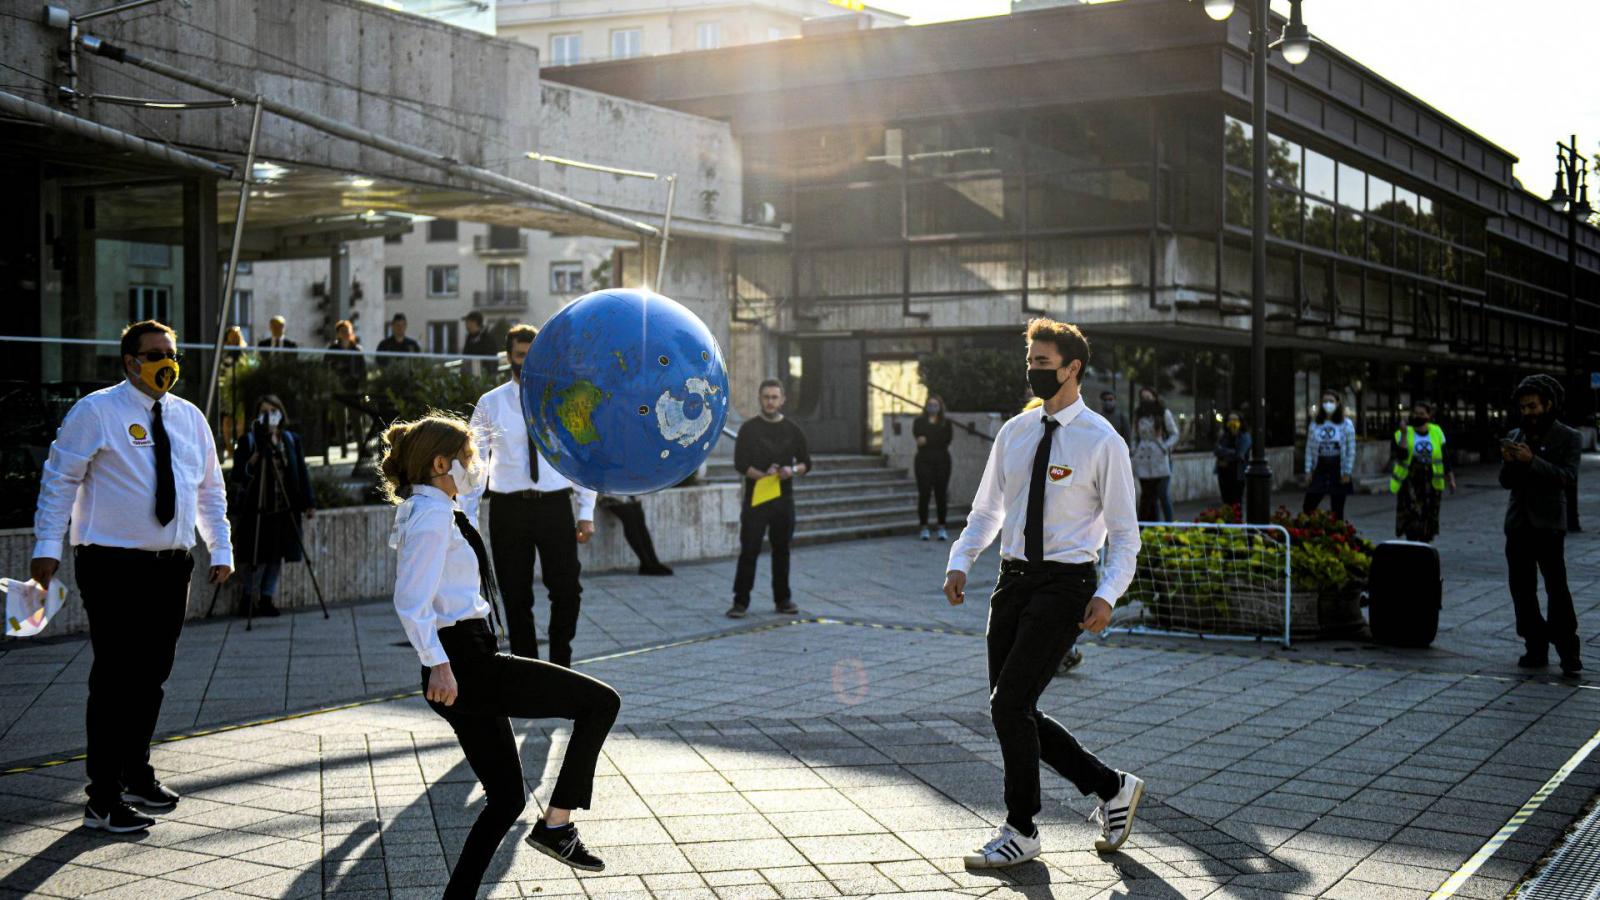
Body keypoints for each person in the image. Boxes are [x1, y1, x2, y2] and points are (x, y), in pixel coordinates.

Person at [381, 413, 620, 897]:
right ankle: (557, 826)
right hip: (467, 665)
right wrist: (439, 664)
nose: (476, 464)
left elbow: (475, 488)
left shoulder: (438, 505)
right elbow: (411, 600)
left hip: (467, 661)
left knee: (506, 798)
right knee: (601, 703)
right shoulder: (429, 516)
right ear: (440, 463)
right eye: (468, 457)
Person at [943, 317, 1143, 868]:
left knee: (1010, 705)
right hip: (1013, 582)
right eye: (1030, 362)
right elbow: (988, 509)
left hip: (1065, 584)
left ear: (1072, 368)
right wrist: (962, 559)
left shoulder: (1103, 441)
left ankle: (1022, 828)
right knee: (1013, 708)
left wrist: (1107, 594)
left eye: (1044, 363)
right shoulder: (1015, 432)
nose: (1034, 371)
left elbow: (1125, 535)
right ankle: (1112, 788)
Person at [31, 320, 233, 833]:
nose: (166, 362)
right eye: (154, 353)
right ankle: (102, 798)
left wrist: (220, 547)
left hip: (171, 566)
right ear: (129, 362)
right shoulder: (96, 412)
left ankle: (135, 772)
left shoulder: (189, 417)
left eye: (172, 353)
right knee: (116, 679)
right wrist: (45, 546)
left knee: (151, 677)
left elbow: (210, 489)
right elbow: (59, 480)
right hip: (112, 564)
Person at [460, 325, 597, 668]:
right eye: (521, 355)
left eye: (533, 355)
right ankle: (529, 670)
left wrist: (586, 510)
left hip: (554, 506)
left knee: (567, 590)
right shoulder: (491, 403)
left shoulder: (564, 399)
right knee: (515, 595)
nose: (527, 362)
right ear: (509, 357)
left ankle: (561, 665)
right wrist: (468, 518)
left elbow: (583, 455)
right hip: (508, 509)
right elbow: (474, 464)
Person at [1500, 374, 1583, 676]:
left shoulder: (1568, 437)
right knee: (1521, 589)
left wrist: (1532, 460)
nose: (1528, 413)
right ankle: (1534, 646)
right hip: (1519, 524)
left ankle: (1568, 651)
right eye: (1523, 407)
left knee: (1556, 588)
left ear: (1548, 404)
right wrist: (1510, 461)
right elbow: (1505, 482)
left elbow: (1567, 477)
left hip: (1548, 524)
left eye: (1533, 406)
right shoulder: (1516, 434)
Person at [727, 379, 812, 618]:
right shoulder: (749, 429)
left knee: (782, 549)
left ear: (783, 400)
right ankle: (740, 601)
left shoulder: (793, 429)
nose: (770, 402)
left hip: (783, 499)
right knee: (749, 549)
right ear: (759, 398)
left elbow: (807, 463)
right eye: (766, 397)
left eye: (775, 397)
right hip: (757, 497)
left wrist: (791, 471)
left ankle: (783, 600)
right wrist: (763, 475)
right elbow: (741, 464)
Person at [231, 394, 316, 618]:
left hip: (284, 506)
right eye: (263, 412)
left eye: (273, 411)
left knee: (277, 555)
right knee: (255, 556)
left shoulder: (290, 439)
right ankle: (249, 598)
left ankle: (267, 597)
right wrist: (257, 453)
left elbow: (301, 473)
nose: (268, 416)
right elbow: (238, 475)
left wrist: (309, 503)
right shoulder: (249, 440)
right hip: (257, 507)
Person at [1389, 400, 1456, 543]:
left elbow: (1444, 457)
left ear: (1428, 415)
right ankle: (1413, 547)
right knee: (1412, 520)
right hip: (1410, 483)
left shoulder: (1436, 431)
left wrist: (1450, 478)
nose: (1418, 416)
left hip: (1431, 484)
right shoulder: (1403, 432)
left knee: (1427, 521)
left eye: (1422, 413)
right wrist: (1404, 434)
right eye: (1415, 413)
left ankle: (1425, 549)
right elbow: (1401, 456)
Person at [1303, 389, 1356, 520]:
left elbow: (1351, 450)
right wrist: (1308, 470)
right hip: (1320, 468)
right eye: (1325, 401)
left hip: (1338, 469)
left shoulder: (1346, 424)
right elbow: (1309, 448)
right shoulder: (1315, 424)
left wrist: (1347, 472)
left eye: (1331, 401)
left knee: (1337, 510)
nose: (1328, 404)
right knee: (1308, 505)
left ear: (1337, 403)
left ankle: (1338, 537)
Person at [1130, 388, 1178, 522]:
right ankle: (1149, 526)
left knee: (1162, 495)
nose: (1146, 400)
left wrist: (1164, 446)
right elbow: (1134, 435)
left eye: (1148, 396)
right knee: (1147, 496)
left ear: (1155, 397)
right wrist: (1134, 450)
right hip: (1142, 459)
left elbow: (1175, 434)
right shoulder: (1138, 414)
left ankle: (1170, 526)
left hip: (1159, 458)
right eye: (1143, 397)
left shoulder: (1163, 413)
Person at [598, 495, 673, 576]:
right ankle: (646, 563)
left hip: (624, 490)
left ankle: (653, 562)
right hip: (607, 491)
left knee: (638, 514)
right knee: (629, 516)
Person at [914, 394, 954, 542]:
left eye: (935, 405)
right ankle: (924, 527)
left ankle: (942, 527)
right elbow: (919, 440)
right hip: (923, 461)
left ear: (940, 407)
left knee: (941, 495)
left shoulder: (946, 423)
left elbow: (945, 440)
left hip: (942, 462)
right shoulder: (919, 422)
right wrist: (934, 438)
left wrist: (928, 439)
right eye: (930, 405)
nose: (932, 408)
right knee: (924, 494)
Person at [1213, 411, 1250, 507]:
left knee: (1236, 502)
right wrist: (1231, 452)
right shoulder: (1223, 435)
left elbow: (1240, 454)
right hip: (1223, 472)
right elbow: (1216, 451)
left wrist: (1224, 451)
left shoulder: (1244, 436)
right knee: (1226, 502)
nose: (1232, 422)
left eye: (1235, 420)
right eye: (1230, 419)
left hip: (1237, 473)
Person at [461, 310, 497, 376]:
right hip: (470, 374)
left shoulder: (487, 338)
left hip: (485, 376)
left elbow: (490, 360)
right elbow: (465, 355)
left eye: (467, 322)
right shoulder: (469, 337)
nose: (466, 325)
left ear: (474, 322)